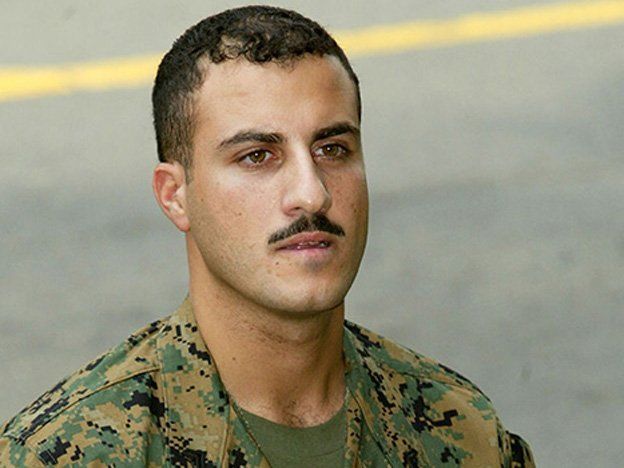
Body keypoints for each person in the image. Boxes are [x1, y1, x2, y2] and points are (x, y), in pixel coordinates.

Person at [0, 6, 533, 467]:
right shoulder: (71, 452)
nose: (311, 193)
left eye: (332, 149)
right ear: (175, 195)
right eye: (257, 156)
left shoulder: (459, 431)